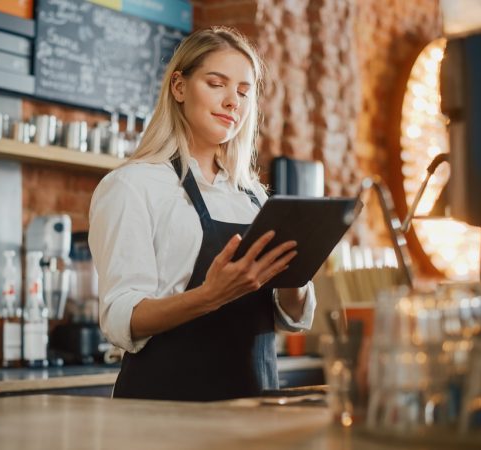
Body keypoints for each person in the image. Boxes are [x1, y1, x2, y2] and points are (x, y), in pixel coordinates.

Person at [88, 26, 316, 402]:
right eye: (216, 84)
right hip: (164, 412)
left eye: (244, 92)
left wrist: (298, 268)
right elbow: (120, 318)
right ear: (179, 87)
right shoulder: (133, 186)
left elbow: (289, 317)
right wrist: (210, 295)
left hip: (255, 411)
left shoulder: (255, 196)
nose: (233, 102)